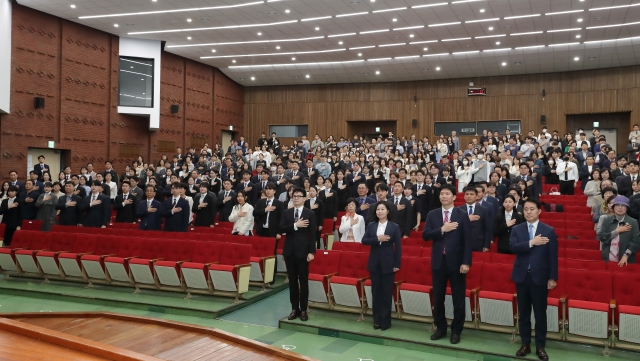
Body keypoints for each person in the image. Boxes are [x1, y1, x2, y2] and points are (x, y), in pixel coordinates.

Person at [423, 183, 472, 344]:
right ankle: (441, 328)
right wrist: (442, 229)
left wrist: (466, 262)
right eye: (441, 194)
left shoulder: (462, 214)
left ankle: (456, 331)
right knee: (438, 298)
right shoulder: (433, 214)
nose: (444, 196)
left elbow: (467, 241)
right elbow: (426, 235)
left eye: (447, 194)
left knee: (458, 299)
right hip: (438, 262)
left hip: (457, 263)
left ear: (453, 196)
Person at [510, 198, 558, 361]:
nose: (528, 212)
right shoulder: (517, 229)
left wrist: (552, 277)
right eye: (526, 209)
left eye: (532, 209)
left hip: (540, 278)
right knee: (523, 314)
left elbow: (553, 257)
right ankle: (525, 344)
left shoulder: (548, 230)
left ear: (539, 211)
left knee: (540, 314)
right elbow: (513, 247)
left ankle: (540, 346)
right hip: (521, 277)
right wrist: (532, 242)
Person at [361, 201, 402, 330]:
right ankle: (376, 320)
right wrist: (377, 239)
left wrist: (397, 264)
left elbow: (399, 248)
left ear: (388, 211)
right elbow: (364, 241)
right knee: (376, 292)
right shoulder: (372, 225)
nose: (380, 211)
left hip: (389, 263)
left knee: (386, 293)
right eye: (378, 209)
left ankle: (385, 322)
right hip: (374, 263)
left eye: (382, 209)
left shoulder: (394, 226)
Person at [279, 187, 317, 322]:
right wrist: (295, 225)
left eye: (299, 196)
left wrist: (312, 251)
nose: (296, 198)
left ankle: (304, 309)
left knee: (304, 281)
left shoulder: (309, 214)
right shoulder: (287, 213)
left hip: (303, 252)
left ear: (304, 198)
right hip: (289, 251)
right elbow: (281, 228)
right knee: (292, 282)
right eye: (294, 196)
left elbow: (313, 235)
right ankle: (294, 308)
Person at [597, 195, 640, 265]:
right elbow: (601, 237)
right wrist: (617, 231)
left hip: (627, 259)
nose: (620, 208)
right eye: (617, 205)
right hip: (608, 258)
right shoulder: (606, 220)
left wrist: (626, 255)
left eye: (623, 205)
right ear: (613, 207)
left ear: (627, 208)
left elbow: (636, 241)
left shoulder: (633, 222)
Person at [459, 186, 492, 252]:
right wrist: (467, 219)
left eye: (471, 194)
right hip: (462, 243)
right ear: (464, 196)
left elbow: (487, 229)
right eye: (467, 194)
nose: (469, 196)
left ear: (477, 196)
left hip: (478, 242)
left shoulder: (484, 210)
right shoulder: (459, 210)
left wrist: (486, 245)